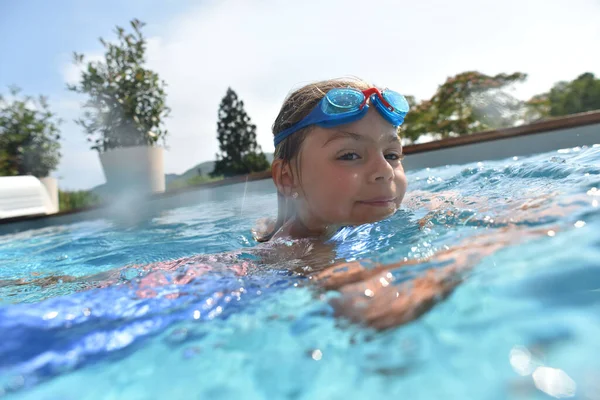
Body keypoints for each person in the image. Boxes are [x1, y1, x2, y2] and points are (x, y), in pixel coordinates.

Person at [2, 77, 567, 330]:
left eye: (393, 155)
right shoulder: (303, 249)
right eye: (350, 156)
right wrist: (495, 241)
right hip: (153, 299)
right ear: (287, 175)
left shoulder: (288, 223)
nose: (382, 171)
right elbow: (378, 309)